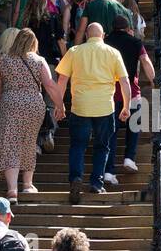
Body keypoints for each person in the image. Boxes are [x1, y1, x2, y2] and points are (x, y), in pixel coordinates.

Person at [0, 28, 65, 199]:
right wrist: (60, 105)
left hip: (9, 103)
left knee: (11, 145)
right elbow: (49, 85)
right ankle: (27, 185)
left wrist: (2, 107)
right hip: (33, 105)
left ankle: (12, 189)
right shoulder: (39, 60)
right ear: (33, 43)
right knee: (29, 142)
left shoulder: (3, 59)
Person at [54, 22, 131, 202]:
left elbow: (62, 80)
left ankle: (76, 178)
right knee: (102, 146)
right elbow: (125, 82)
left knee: (78, 145)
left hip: (80, 106)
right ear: (103, 35)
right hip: (104, 107)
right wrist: (126, 107)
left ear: (87, 35)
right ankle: (96, 183)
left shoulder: (74, 51)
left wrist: (59, 105)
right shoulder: (113, 53)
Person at [103, 12, 155, 184]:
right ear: (128, 28)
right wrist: (153, 79)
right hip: (131, 91)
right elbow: (146, 61)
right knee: (135, 124)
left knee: (111, 131)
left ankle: (109, 171)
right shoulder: (135, 42)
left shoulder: (106, 42)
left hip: (109, 93)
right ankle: (129, 158)